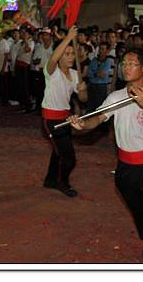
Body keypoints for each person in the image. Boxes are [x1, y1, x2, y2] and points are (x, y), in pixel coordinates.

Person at [68, 47, 143, 263]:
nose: (126, 68)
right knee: (139, 213)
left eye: (132, 63)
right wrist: (82, 124)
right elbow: (97, 118)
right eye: (124, 63)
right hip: (126, 168)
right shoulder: (116, 96)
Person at [41, 26, 88, 197]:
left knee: (58, 152)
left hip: (66, 119)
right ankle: (63, 182)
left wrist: (82, 90)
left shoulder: (75, 74)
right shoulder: (52, 72)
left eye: (72, 54)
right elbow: (53, 58)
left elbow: (83, 99)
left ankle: (50, 179)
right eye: (66, 54)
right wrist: (68, 38)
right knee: (68, 157)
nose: (70, 57)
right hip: (51, 119)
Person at [86, 42, 113, 112]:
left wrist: (93, 74)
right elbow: (88, 73)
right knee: (90, 106)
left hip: (101, 87)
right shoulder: (94, 60)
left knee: (99, 107)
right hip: (91, 85)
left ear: (107, 51)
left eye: (103, 49)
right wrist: (96, 74)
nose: (101, 51)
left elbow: (102, 75)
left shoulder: (108, 61)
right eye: (100, 49)